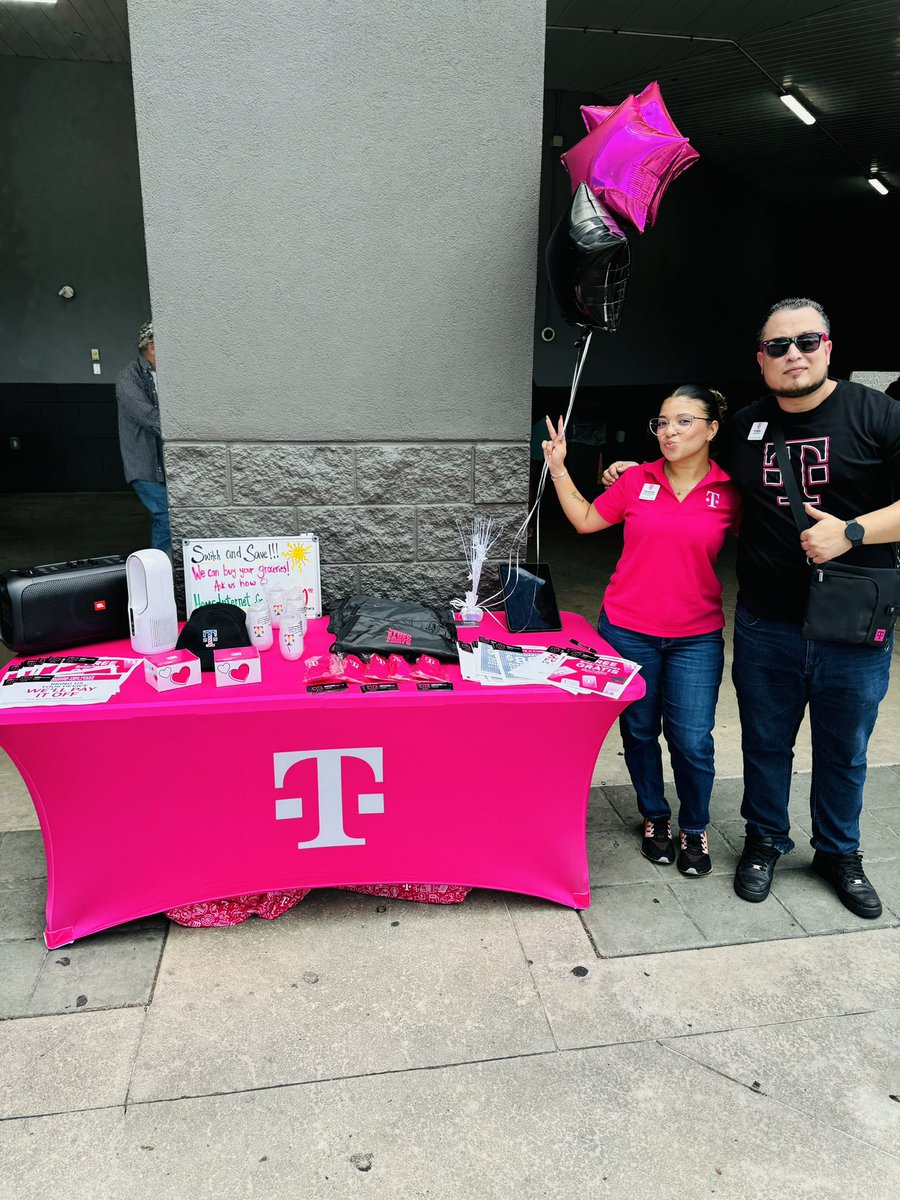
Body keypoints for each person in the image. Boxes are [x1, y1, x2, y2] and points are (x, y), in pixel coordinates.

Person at [604, 298, 900, 919]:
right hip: (767, 622)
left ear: (827, 347)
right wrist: (636, 473)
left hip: (854, 621)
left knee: (845, 749)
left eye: (806, 341)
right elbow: (693, 467)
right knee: (766, 745)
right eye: (777, 346)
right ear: (760, 359)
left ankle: (839, 853)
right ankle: (764, 842)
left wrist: (852, 532)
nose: (793, 354)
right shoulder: (744, 426)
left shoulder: (879, 414)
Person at [543, 385, 740, 876]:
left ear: (712, 429)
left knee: (692, 740)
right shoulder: (636, 479)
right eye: (662, 422)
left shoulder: (731, 491)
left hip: (696, 637)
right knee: (639, 731)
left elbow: (767, 543)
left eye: (684, 421)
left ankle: (694, 826)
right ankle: (655, 816)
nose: (669, 432)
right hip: (627, 630)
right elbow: (586, 520)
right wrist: (559, 467)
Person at [115, 321, 171, 553]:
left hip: (166, 465)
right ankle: (161, 569)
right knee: (165, 518)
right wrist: (185, 434)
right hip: (145, 466)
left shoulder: (165, 374)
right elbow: (149, 417)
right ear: (152, 346)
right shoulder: (129, 377)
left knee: (171, 518)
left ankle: (169, 567)